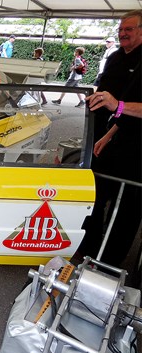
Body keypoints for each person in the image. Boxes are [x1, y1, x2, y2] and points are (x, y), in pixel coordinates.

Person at [75, 10, 142, 268]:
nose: (123, 33)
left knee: (127, 208)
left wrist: (118, 108)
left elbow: (119, 107)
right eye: (121, 29)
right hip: (106, 138)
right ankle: (88, 249)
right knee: (95, 195)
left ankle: (109, 263)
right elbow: (106, 98)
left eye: (130, 29)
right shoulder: (114, 58)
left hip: (135, 149)